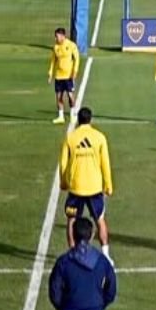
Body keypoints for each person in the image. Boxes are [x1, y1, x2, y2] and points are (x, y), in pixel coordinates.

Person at [61, 107, 114, 259]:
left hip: (76, 187)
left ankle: (72, 254)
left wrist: (64, 182)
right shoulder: (99, 137)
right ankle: (106, 255)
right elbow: (105, 163)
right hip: (94, 187)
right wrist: (108, 185)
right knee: (100, 220)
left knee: (71, 219)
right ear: (90, 120)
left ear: (78, 120)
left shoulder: (71, 138)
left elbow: (63, 163)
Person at [49, 27, 81, 124]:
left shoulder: (71, 45)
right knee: (59, 97)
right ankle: (61, 116)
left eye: (57, 36)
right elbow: (53, 61)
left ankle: (72, 115)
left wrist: (74, 71)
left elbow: (77, 58)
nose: (56, 39)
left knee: (70, 96)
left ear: (63, 36)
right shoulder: (55, 47)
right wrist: (50, 74)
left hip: (68, 76)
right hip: (59, 76)